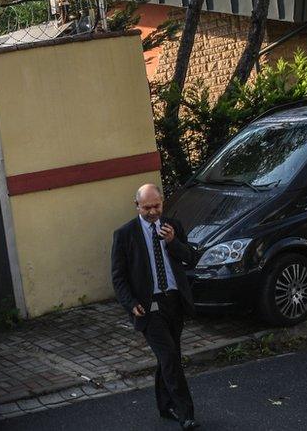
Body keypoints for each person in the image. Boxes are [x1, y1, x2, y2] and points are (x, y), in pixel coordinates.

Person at [111, 183, 198, 429]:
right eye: (147, 207)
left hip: (174, 302)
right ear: (136, 206)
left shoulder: (173, 227)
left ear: (162, 203)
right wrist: (131, 303)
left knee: (169, 356)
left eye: (156, 206)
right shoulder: (125, 234)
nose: (152, 212)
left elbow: (190, 258)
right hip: (149, 306)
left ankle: (164, 405)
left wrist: (173, 242)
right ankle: (186, 413)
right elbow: (118, 277)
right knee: (170, 357)